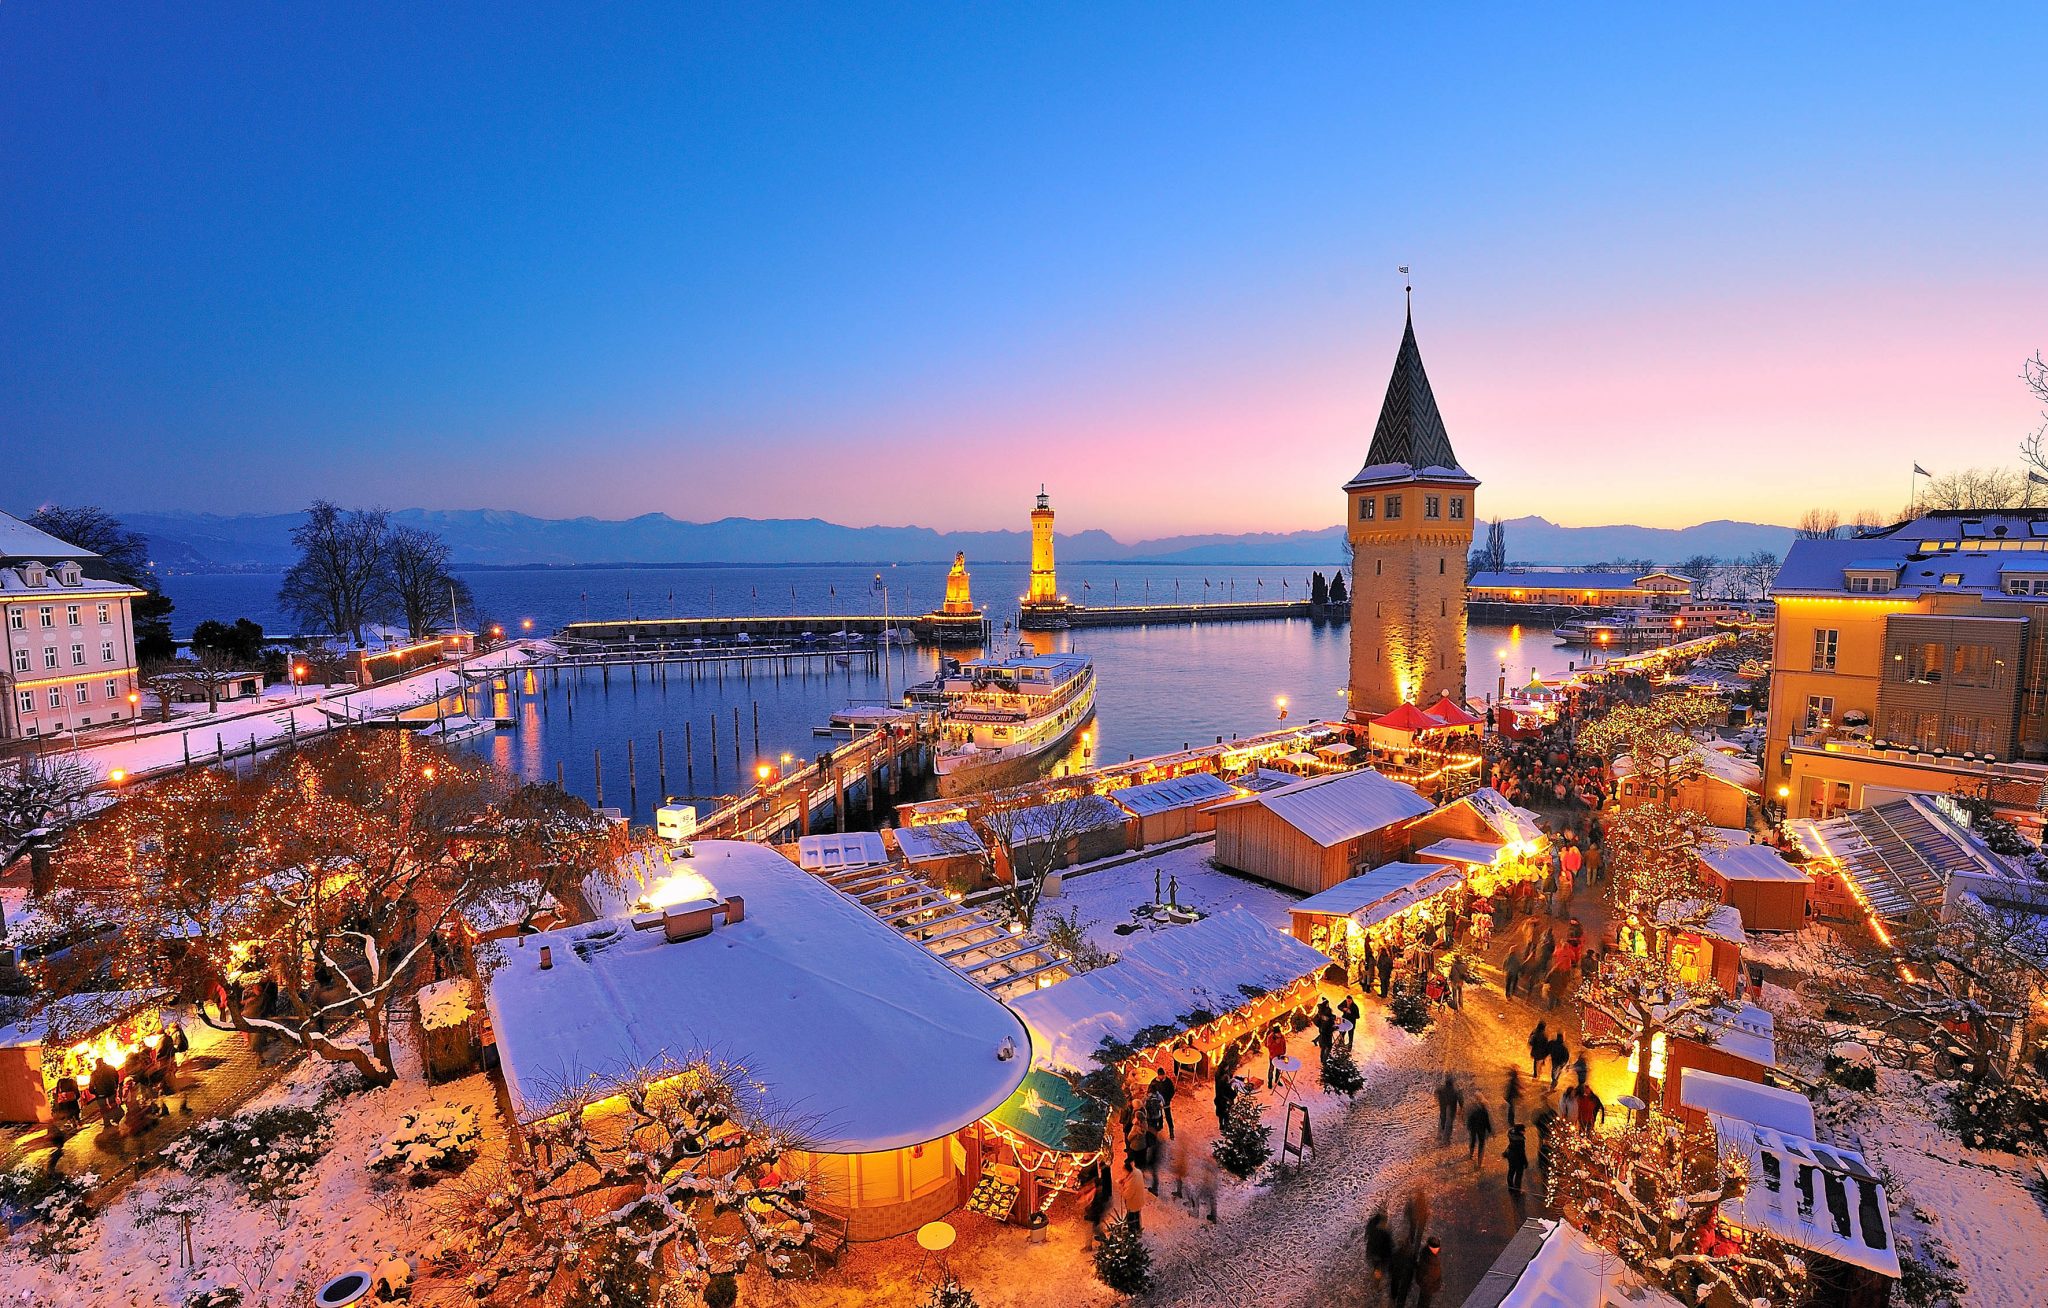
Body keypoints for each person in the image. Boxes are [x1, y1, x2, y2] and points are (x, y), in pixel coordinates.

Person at [1081, 1156, 1113, 1246]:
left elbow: (1096, 1204)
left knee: (1095, 1228)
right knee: (1095, 1228)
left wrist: (1090, 1212)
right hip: (1095, 1212)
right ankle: (1098, 1243)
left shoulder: (1097, 1193)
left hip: (1094, 1213)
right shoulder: (1099, 1189)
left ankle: (1104, 1242)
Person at [1118, 1157, 1148, 1233]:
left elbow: (1127, 1195)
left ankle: (1132, 1234)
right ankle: (1138, 1230)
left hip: (1133, 1203)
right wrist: (1124, 1180)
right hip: (1139, 1200)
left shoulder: (1131, 1182)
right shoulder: (1137, 1172)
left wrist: (1121, 1188)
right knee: (1137, 1216)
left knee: (1131, 1219)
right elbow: (1129, 1178)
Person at [1147, 1067, 1177, 1139]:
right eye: (1160, 1075)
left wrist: (1168, 1099)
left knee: (1168, 1116)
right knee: (1159, 1115)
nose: (1161, 1077)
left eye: (1162, 1075)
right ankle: (1160, 1126)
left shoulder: (1168, 1081)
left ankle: (1171, 1130)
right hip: (1157, 1103)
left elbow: (1172, 1091)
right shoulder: (1154, 1082)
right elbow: (1150, 1090)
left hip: (1166, 1102)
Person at [1415, 1237, 1445, 1307]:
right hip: (1428, 1287)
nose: (1436, 1249)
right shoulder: (1430, 1257)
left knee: (1423, 1302)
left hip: (1429, 1286)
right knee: (1424, 1302)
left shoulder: (1427, 1254)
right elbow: (1425, 1272)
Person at [1435, 1072, 1463, 1146]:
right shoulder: (1455, 1090)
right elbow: (1461, 1100)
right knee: (1449, 1123)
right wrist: (1461, 1107)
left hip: (1443, 1108)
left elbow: (1436, 1093)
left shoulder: (1440, 1090)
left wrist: (1438, 1100)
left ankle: (1439, 1135)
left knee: (1442, 1120)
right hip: (1451, 1109)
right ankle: (1446, 1140)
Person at [1503, 1122, 1530, 1194]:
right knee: (1518, 1174)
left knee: (1511, 1171)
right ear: (1519, 1131)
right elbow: (1522, 1153)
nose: (1524, 1131)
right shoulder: (1519, 1140)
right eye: (1523, 1130)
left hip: (1511, 1157)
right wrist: (1525, 1162)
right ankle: (1517, 1190)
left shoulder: (1512, 1135)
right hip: (1518, 1159)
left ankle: (1510, 1187)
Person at [1465, 1099, 1494, 1163]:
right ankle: (1479, 1162)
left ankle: (1471, 1154)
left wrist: (1469, 1127)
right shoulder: (1484, 1111)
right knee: (1481, 1144)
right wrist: (1490, 1131)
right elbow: (1487, 1122)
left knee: (1473, 1140)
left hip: (1473, 1129)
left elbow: (1469, 1120)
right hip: (1481, 1130)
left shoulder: (1473, 1111)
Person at [1312, 999, 1337, 1068]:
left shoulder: (1322, 1014)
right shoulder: (1327, 1019)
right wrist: (1334, 1028)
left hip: (1322, 1032)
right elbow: (1328, 1029)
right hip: (1326, 1034)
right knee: (1328, 1047)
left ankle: (1322, 1059)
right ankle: (1324, 1060)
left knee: (1323, 1046)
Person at [1264, 1023, 1289, 1088]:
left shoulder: (1282, 1036)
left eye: (1280, 1033)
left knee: (1279, 1069)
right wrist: (1275, 1043)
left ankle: (1277, 1080)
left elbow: (1284, 1044)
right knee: (1271, 1068)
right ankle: (1270, 1081)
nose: (1279, 1034)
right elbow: (1269, 1046)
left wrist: (1283, 1052)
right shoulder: (1270, 1037)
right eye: (1278, 1033)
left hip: (1280, 1055)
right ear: (1275, 1033)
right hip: (1273, 1056)